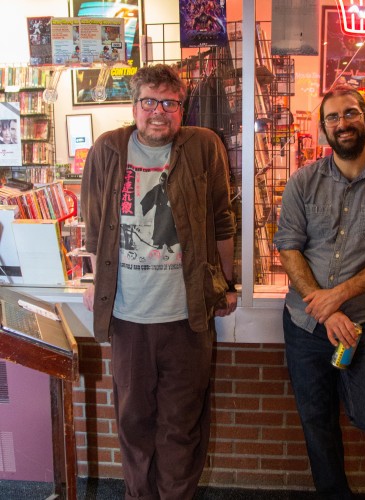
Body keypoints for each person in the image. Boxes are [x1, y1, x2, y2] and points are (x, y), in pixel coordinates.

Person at [80, 63, 237, 500]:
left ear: (181, 108)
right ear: (134, 106)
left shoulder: (203, 146)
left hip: (187, 317)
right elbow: (94, 229)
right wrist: (96, 281)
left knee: (181, 426)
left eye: (169, 103)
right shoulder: (108, 149)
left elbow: (222, 221)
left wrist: (226, 284)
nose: (158, 112)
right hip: (129, 318)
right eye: (149, 101)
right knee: (134, 423)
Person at [273, 84, 365, 500]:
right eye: (333, 117)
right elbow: (288, 247)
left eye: (350, 113)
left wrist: (338, 298)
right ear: (323, 128)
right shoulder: (303, 180)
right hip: (306, 323)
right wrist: (325, 309)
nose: (343, 123)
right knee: (317, 420)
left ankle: (351, 387)